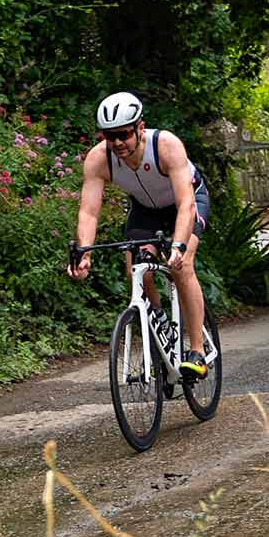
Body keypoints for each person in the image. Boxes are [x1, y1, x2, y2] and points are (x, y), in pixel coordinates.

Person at [66, 91, 211, 378]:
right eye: (110, 136)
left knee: (182, 267)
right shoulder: (99, 159)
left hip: (188, 202)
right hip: (146, 210)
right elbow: (89, 212)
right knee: (137, 266)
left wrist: (179, 246)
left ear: (140, 127)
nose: (117, 143)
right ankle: (156, 320)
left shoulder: (166, 146)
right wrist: (84, 253)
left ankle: (197, 351)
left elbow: (186, 204)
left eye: (123, 134)